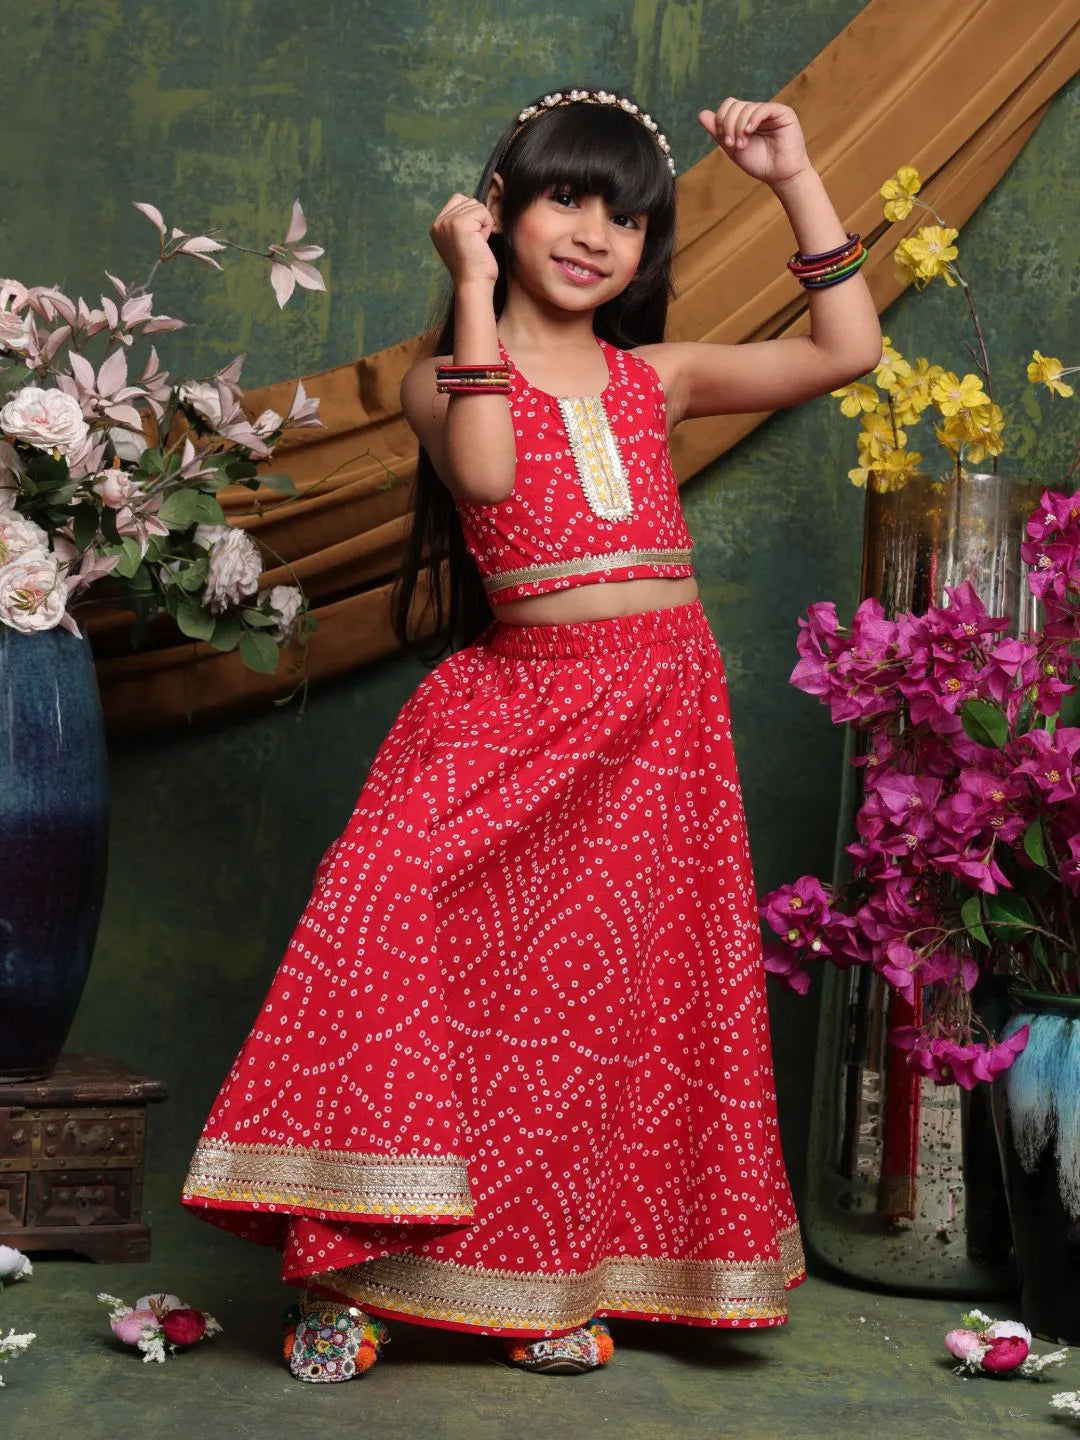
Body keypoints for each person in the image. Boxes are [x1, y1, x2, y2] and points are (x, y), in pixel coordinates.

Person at [182, 87, 882, 1380]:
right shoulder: (431, 379)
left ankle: (539, 1283)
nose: (595, 235)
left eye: (627, 218)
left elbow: (845, 352)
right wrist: (467, 285)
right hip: (516, 714)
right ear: (499, 208)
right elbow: (493, 473)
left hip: (660, 719)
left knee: (589, 1018)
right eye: (567, 198)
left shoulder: (655, 380)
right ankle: (342, 1275)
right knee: (406, 954)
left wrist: (795, 176)